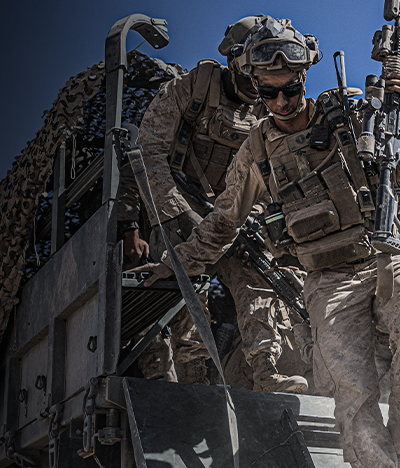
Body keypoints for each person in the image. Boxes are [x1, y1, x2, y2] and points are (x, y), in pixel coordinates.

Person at [129, 16, 400, 468]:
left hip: (383, 259)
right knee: (350, 388)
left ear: (303, 80)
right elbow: (222, 223)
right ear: (255, 87)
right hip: (324, 280)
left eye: (290, 91)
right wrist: (177, 263)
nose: (281, 102)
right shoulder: (254, 151)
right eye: (268, 92)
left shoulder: (349, 119)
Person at [118, 14, 308, 393]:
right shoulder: (189, 90)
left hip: (227, 215)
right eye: (252, 78)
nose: (261, 92)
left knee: (259, 278)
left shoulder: (269, 109)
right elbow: (148, 153)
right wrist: (176, 211)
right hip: (171, 205)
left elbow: (265, 178)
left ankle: (266, 370)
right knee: (187, 283)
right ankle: (193, 380)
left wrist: (246, 220)